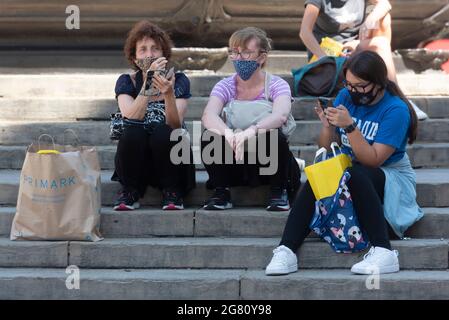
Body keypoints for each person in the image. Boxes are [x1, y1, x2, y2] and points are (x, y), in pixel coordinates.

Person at [265, 51, 423, 275]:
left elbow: (373, 159)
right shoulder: (345, 97)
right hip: (351, 174)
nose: (353, 91)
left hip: (389, 179)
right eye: (349, 84)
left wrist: (350, 127)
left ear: (378, 83)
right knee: (322, 173)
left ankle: (384, 251)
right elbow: (328, 147)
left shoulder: (396, 110)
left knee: (353, 172)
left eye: (360, 85)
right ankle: (286, 249)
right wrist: (328, 126)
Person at [201, 27, 301, 211]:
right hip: (235, 156)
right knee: (209, 135)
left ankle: (278, 192)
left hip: (267, 160)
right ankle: (221, 191)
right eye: (234, 52)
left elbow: (280, 115)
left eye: (246, 53)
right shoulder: (225, 85)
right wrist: (228, 133)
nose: (239, 58)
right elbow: (209, 115)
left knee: (274, 135)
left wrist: (251, 131)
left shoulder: (277, 85)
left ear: (262, 57)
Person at [112, 20, 195, 211]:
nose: (149, 54)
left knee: (163, 132)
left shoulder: (179, 80)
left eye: (155, 49)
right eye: (143, 50)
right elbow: (130, 117)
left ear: (164, 54)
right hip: (137, 159)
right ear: (134, 58)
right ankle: (130, 191)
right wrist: (148, 84)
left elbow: (176, 125)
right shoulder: (127, 82)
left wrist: (168, 94)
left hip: (170, 157)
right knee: (132, 132)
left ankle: (172, 191)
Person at [299, 0, 428, 120]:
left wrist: (369, 20)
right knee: (380, 43)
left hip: (353, 51)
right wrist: (326, 58)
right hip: (327, 58)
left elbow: (384, 4)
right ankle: (400, 100)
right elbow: (304, 32)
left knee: (384, 18)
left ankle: (395, 98)